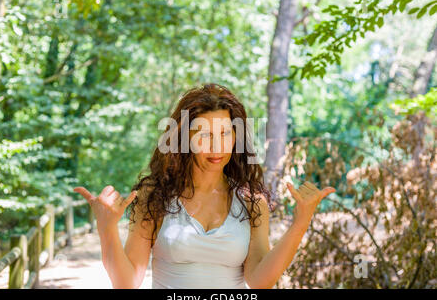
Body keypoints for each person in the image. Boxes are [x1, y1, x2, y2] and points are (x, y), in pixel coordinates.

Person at [73, 83, 336, 289]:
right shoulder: (155, 196)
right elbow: (127, 283)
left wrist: (301, 223)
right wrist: (106, 228)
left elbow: (259, 281)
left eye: (224, 133)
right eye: (204, 134)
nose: (216, 146)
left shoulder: (252, 201)